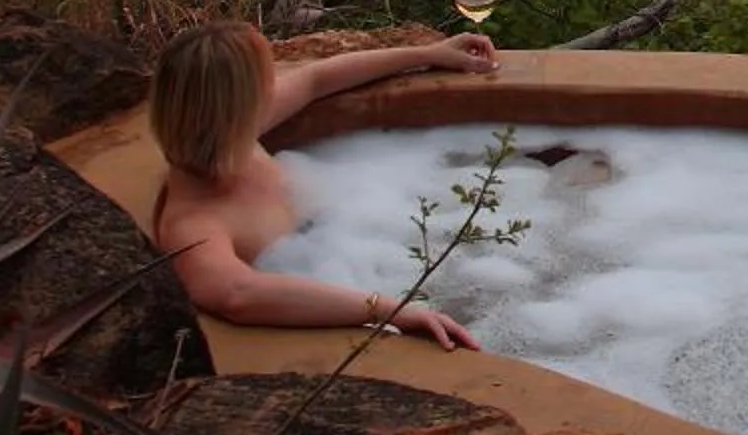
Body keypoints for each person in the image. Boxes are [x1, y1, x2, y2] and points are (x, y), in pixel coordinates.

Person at [147, 19, 499, 348]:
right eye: (265, 84)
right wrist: (385, 308)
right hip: (336, 281)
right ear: (234, 109)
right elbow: (239, 294)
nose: (274, 90)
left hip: (350, 247)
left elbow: (316, 79)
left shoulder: (230, 140)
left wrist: (429, 54)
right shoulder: (193, 224)